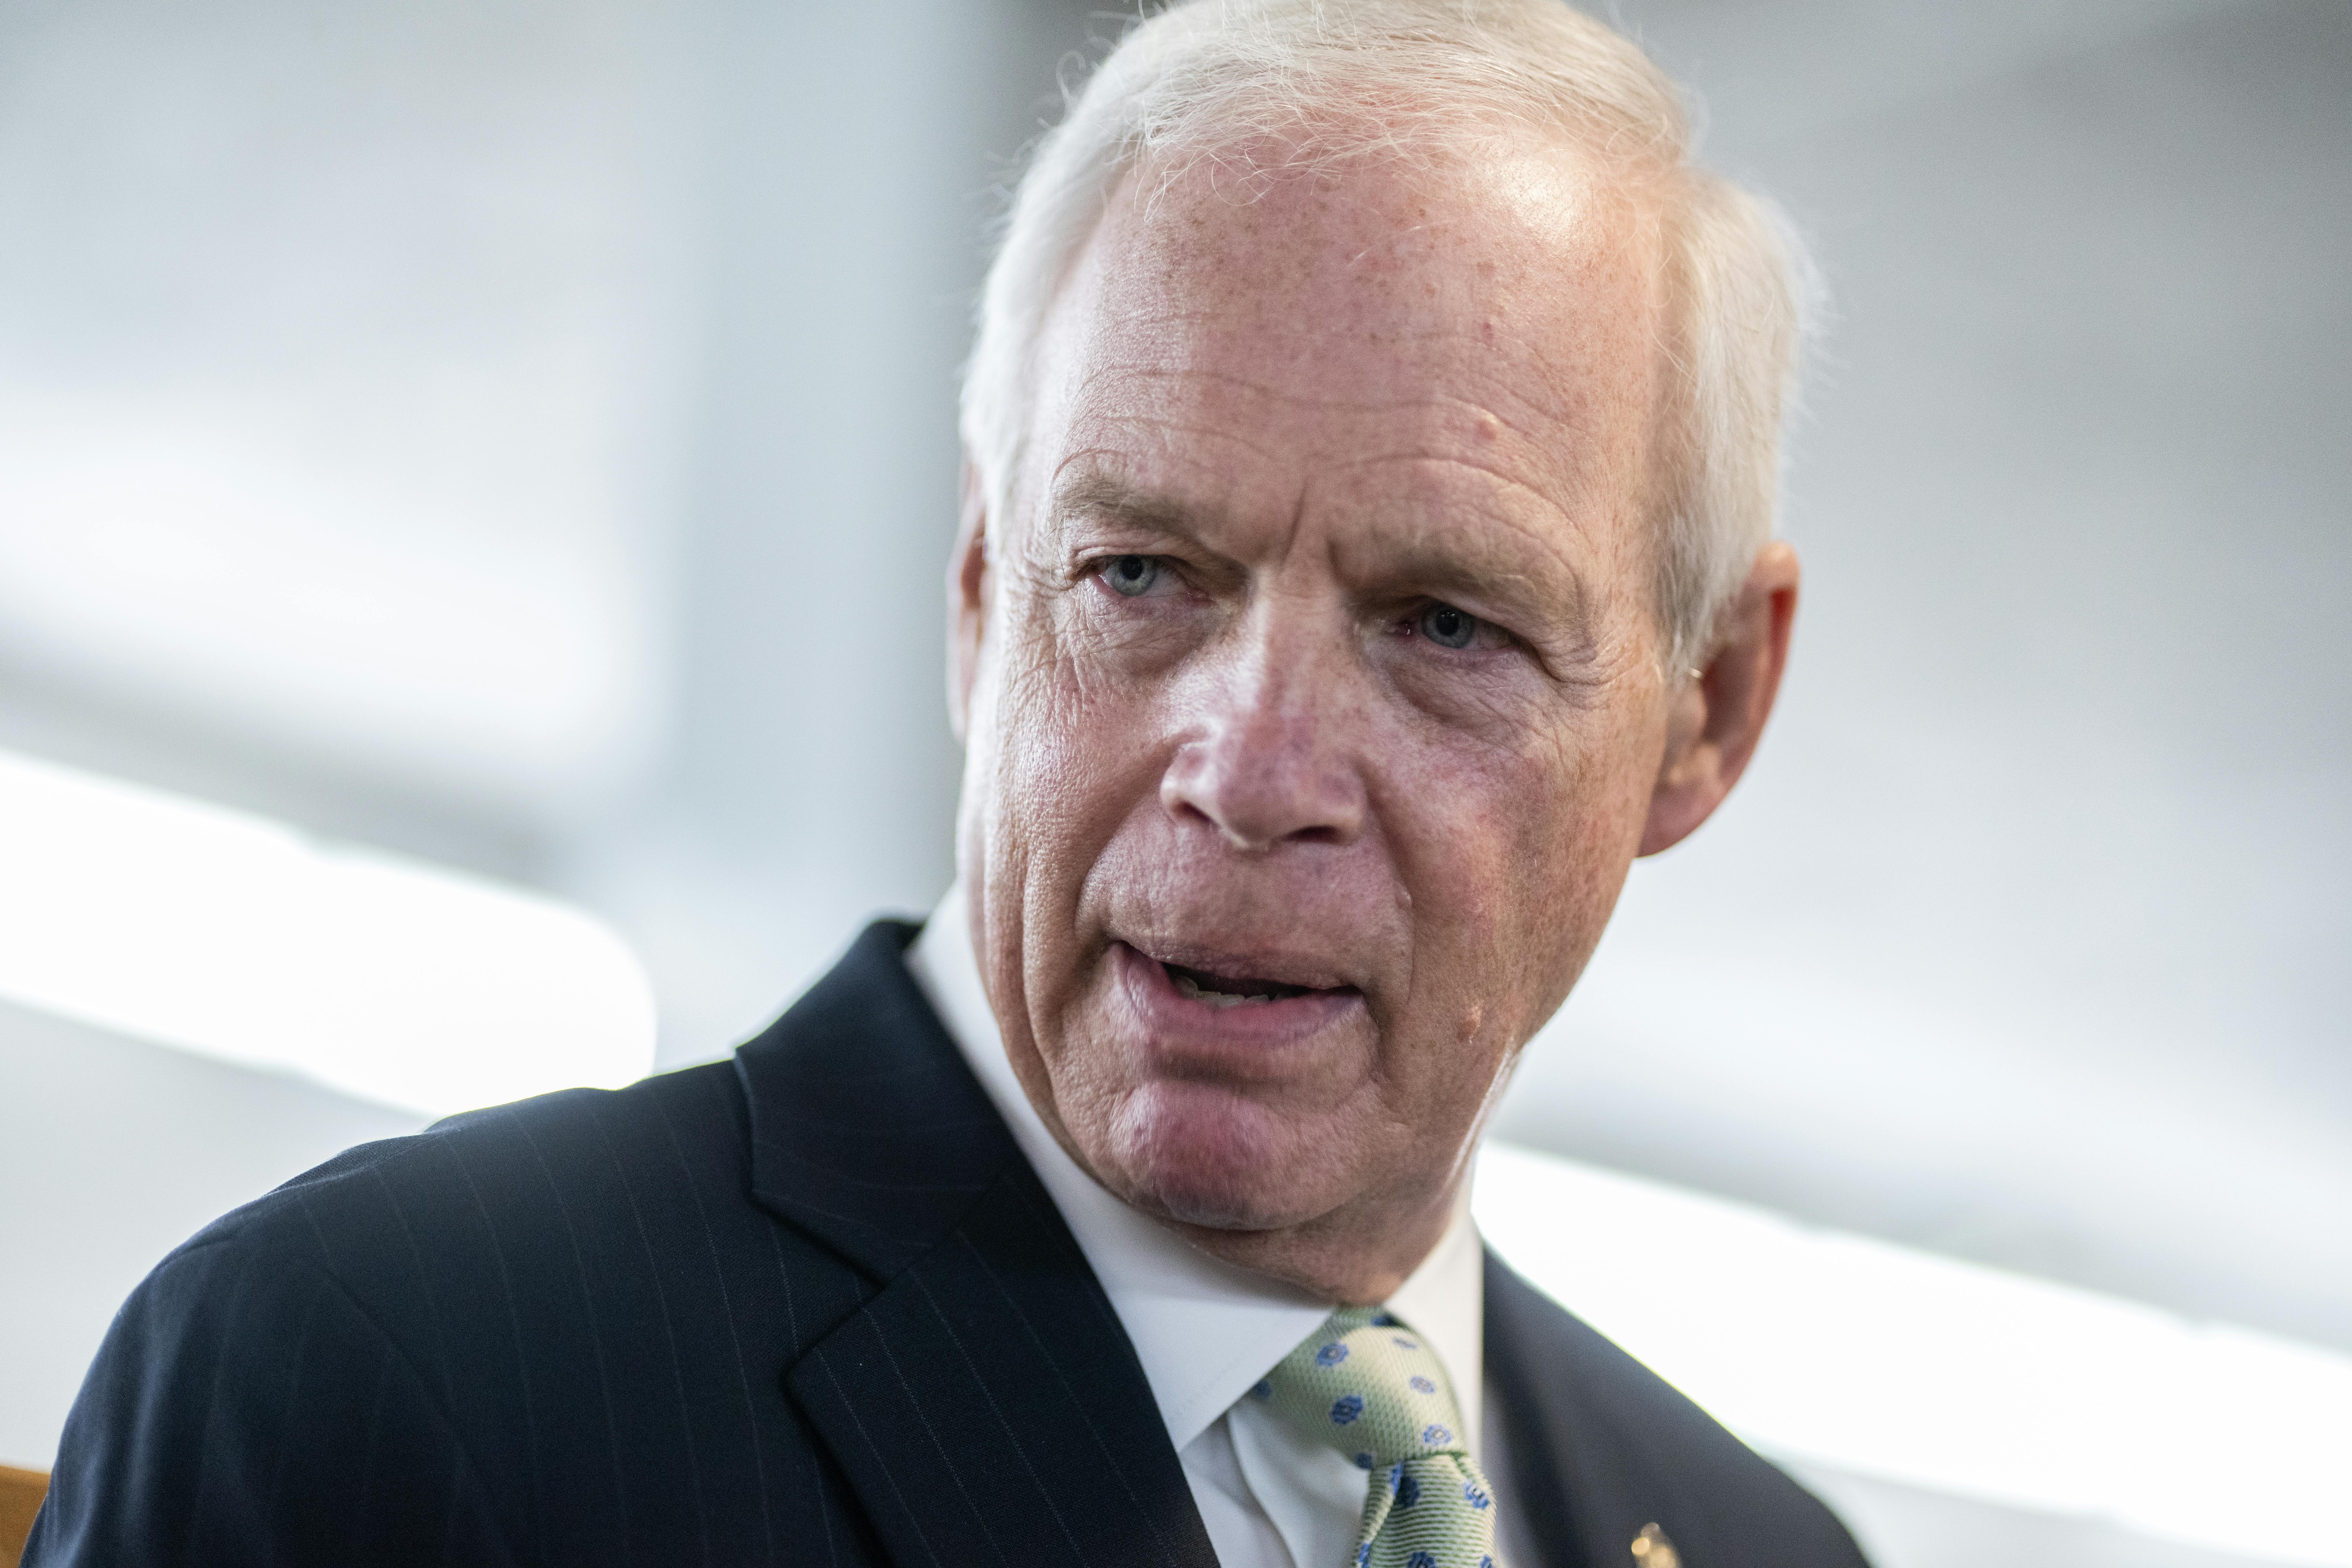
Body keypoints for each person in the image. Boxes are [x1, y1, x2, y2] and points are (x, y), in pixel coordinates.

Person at [28, 2, 1865, 1564]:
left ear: (1707, 701)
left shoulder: (1757, 1543)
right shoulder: (385, 1375)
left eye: (1446, 624)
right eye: (1141, 573)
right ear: (986, 595)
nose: (1248, 770)